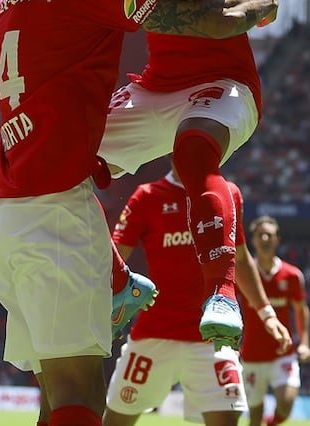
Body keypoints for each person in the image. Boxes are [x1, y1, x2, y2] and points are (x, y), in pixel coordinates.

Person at [0, 0, 278, 426]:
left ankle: (119, 281)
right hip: (54, 217)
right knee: (79, 400)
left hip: (4, 209)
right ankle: (126, 284)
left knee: (55, 398)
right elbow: (202, 17)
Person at [104, 172, 289, 426]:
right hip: (153, 335)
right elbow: (115, 261)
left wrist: (266, 312)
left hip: (213, 336)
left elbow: (241, 259)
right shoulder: (147, 196)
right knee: (114, 422)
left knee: (226, 420)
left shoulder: (229, 192)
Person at [239, 217, 310, 426]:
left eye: (269, 235)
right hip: (252, 356)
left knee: (286, 403)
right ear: (252, 240)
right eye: (260, 235)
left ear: (277, 239)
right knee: (254, 418)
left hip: (283, 354)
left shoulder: (292, 275)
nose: (265, 239)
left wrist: (305, 343)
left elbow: (301, 310)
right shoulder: (243, 272)